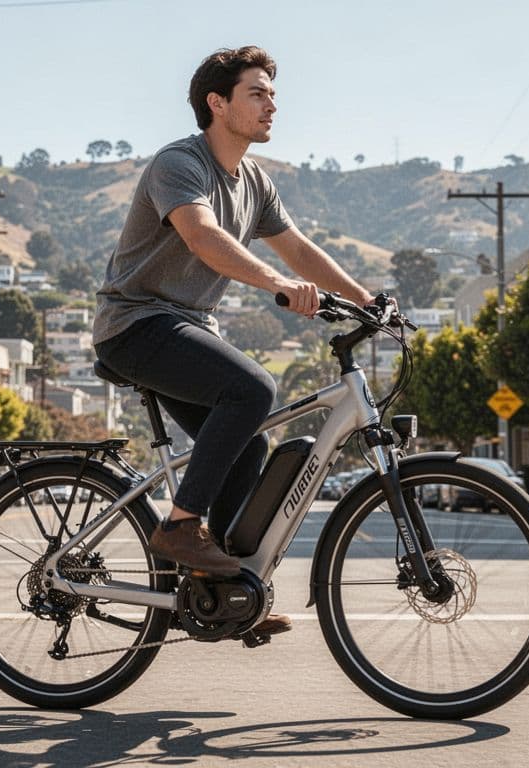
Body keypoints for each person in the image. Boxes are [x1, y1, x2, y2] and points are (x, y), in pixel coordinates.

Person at [92, 46, 373, 634]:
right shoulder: (180, 163)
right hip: (136, 324)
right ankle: (179, 527)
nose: (273, 104)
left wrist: (368, 301)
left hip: (186, 329)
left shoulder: (254, 181)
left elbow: (298, 249)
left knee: (250, 446)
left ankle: (218, 591)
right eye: (258, 93)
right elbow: (202, 235)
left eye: (273, 93)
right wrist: (276, 284)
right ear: (217, 104)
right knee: (253, 389)